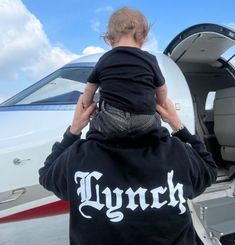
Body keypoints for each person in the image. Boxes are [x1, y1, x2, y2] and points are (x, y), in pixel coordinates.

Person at [39, 95, 217, 245]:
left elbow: (46, 176)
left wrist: (74, 129)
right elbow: (209, 170)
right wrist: (177, 125)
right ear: (155, 111)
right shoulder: (177, 151)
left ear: (98, 112)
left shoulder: (77, 155)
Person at [82, 7, 167, 136]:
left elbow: (90, 88)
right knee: (156, 126)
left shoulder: (105, 59)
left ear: (110, 39)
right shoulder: (149, 59)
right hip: (144, 118)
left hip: (111, 118)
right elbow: (161, 89)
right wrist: (159, 104)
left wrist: (88, 105)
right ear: (143, 39)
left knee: (95, 128)